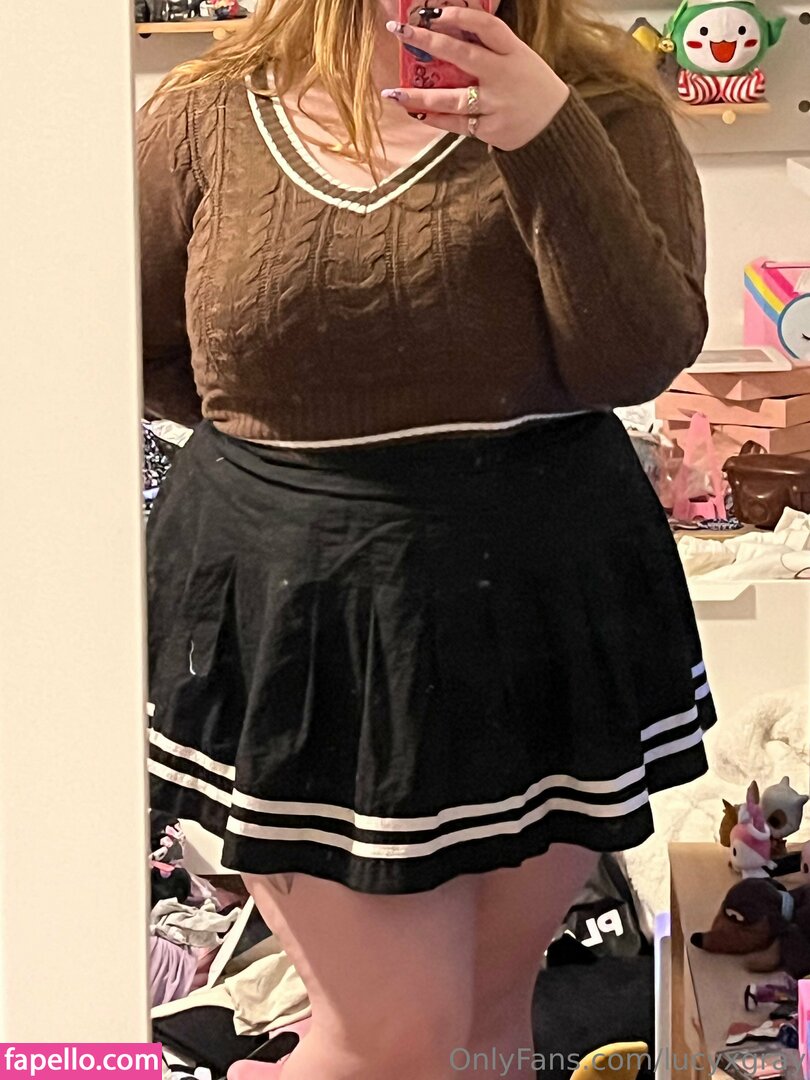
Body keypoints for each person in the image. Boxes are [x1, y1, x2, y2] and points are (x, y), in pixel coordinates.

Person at [138, 0, 715, 1076]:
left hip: (543, 598)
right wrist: (303, 453)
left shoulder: (601, 107)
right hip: (308, 605)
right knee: (394, 1041)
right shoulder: (205, 113)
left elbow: (634, 361)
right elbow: (135, 344)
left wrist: (548, 136)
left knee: (485, 1030)